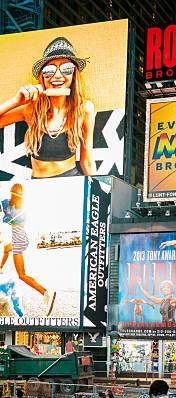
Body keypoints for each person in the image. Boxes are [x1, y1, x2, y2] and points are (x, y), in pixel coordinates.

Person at [0, 36, 95, 178]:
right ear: (42, 76)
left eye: (66, 68)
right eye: (49, 70)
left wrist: (99, 193)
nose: (57, 75)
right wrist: (16, 101)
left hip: (71, 184)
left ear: (74, 74)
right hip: (38, 188)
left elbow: (86, 160)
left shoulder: (84, 109)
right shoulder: (31, 109)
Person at [0, 184, 56, 314]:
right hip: (17, 239)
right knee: (7, 249)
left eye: (19, 198)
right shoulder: (6, 204)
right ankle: (1, 267)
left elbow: (11, 223)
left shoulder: (20, 213)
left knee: (22, 275)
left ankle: (46, 292)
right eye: (17, 197)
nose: (18, 200)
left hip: (19, 241)